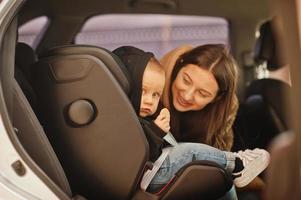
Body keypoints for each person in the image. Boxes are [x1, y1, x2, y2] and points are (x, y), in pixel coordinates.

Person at [113, 46, 270, 197]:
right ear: (178, 68)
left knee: (223, 177)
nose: (187, 96)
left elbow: (213, 165)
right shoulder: (150, 85)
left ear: (216, 98)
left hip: (182, 178)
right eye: (186, 81)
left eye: (202, 93)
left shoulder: (218, 118)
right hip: (150, 176)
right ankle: (236, 163)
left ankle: (235, 165)